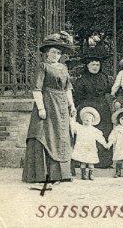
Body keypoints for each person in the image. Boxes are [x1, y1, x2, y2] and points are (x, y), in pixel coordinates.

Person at [22, 32, 77, 183]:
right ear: (47, 52)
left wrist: (71, 105)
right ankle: (43, 175)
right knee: (45, 134)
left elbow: (67, 89)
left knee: (61, 136)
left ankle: (62, 175)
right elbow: (36, 88)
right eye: (53, 52)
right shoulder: (43, 66)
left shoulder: (64, 68)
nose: (56, 55)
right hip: (47, 102)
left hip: (61, 106)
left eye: (59, 53)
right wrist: (41, 108)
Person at [72, 59, 114, 168]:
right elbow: (77, 96)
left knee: (103, 132)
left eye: (97, 64)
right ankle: (80, 160)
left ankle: (103, 162)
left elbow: (109, 91)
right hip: (86, 109)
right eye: (92, 64)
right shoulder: (82, 79)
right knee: (84, 134)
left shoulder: (104, 77)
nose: (95, 67)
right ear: (87, 65)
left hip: (102, 108)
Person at [70, 107, 110, 180]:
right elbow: (72, 124)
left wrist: (105, 144)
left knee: (91, 162)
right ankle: (83, 174)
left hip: (90, 148)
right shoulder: (79, 128)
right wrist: (73, 117)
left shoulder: (94, 130)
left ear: (92, 120)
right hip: (82, 148)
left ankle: (91, 174)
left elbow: (100, 138)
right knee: (83, 162)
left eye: (89, 118)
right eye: (85, 118)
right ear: (82, 119)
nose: (87, 120)